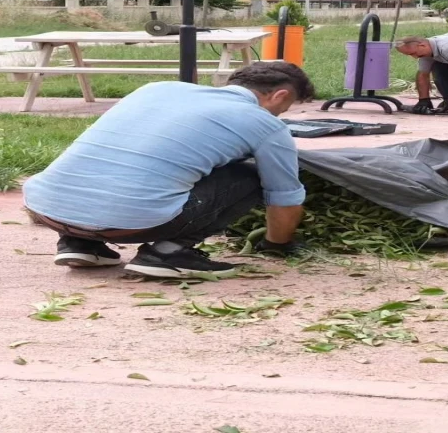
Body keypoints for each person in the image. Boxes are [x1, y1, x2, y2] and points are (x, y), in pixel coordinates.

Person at [22, 61, 315, 279]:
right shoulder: (265, 123)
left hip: (49, 210)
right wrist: (277, 245)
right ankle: (168, 253)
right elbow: (284, 197)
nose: (280, 115)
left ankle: (79, 243)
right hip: (133, 223)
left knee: (131, 160)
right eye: (284, 108)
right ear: (279, 96)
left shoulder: (157, 89)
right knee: (251, 175)